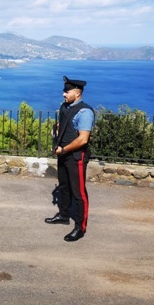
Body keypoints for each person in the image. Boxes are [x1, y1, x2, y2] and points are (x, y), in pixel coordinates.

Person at [46, 76, 95, 242]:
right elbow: (63, 125)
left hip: (75, 157)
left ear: (78, 93)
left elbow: (83, 139)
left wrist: (64, 149)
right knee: (64, 187)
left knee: (79, 193)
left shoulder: (85, 112)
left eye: (67, 91)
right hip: (63, 154)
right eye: (64, 91)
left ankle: (80, 228)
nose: (63, 94)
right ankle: (64, 215)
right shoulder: (65, 107)